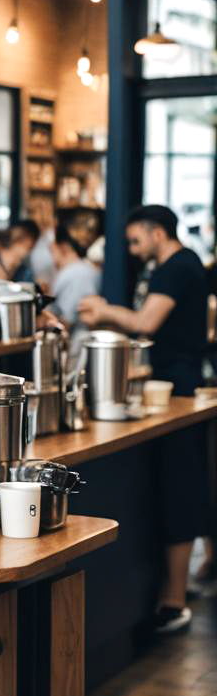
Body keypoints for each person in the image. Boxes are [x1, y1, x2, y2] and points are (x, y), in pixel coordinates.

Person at [79, 204, 209, 634]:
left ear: (157, 234)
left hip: (179, 388)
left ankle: (173, 599)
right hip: (172, 381)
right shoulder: (182, 265)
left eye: (136, 240)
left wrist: (104, 311)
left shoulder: (175, 268)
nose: (133, 250)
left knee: (180, 485)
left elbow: (147, 322)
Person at [48, 222, 100, 353]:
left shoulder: (76, 274)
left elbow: (65, 322)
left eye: (52, 248)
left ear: (63, 247)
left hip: (76, 350)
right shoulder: (81, 270)